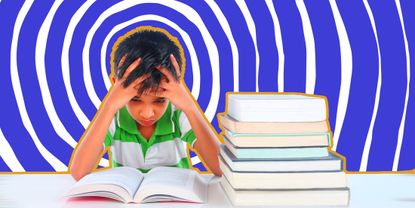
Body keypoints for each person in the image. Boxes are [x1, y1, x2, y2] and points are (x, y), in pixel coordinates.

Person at [69, 26, 222, 181]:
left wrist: (190, 107)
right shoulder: (114, 116)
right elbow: (79, 172)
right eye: (136, 99)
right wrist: (109, 106)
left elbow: (221, 169)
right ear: (116, 87)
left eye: (160, 100)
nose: (147, 113)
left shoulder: (178, 113)